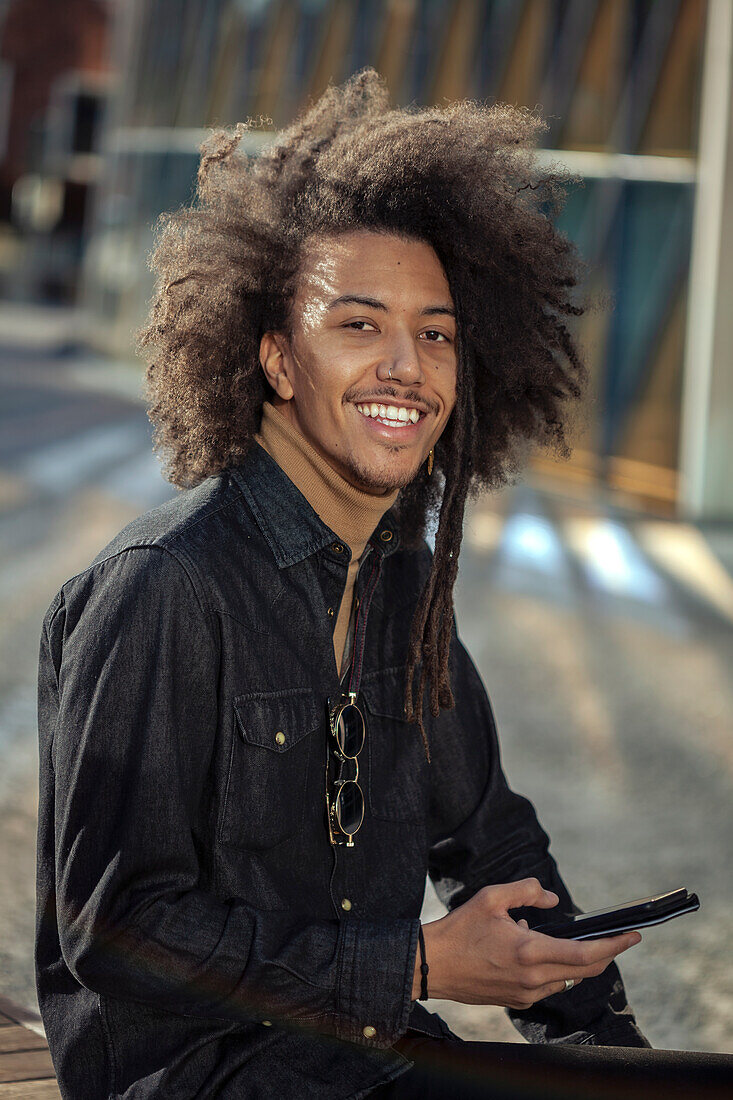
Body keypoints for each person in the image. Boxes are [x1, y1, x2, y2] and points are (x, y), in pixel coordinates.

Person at [37, 70, 710, 1099]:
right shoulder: (164, 588)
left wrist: (613, 1055)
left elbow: (494, 843)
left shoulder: (403, 588)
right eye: (357, 324)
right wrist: (419, 962)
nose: (408, 364)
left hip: (366, 1058)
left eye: (434, 332)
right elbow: (116, 931)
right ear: (274, 357)